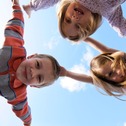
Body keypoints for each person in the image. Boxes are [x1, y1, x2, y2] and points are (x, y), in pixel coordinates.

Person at [1, 0, 60, 126]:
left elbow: (25, 113)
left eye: (39, 78)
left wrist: (27, 124)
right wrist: (16, 3)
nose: (33, 72)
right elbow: (18, 24)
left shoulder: (19, 95)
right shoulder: (16, 48)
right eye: (37, 65)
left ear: (35, 86)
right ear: (32, 56)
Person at [23, 0, 126, 42]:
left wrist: (31, 6)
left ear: (64, 10)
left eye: (68, 20)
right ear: (89, 26)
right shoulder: (107, 12)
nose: (74, 18)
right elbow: (122, 27)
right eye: (78, 26)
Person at [60, 37, 126, 99]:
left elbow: (106, 50)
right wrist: (67, 73)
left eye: (116, 65)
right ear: (109, 81)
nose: (119, 71)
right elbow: (91, 80)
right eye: (111, 74)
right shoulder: (120, 87)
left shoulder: (123, 58)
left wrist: (85, 38)